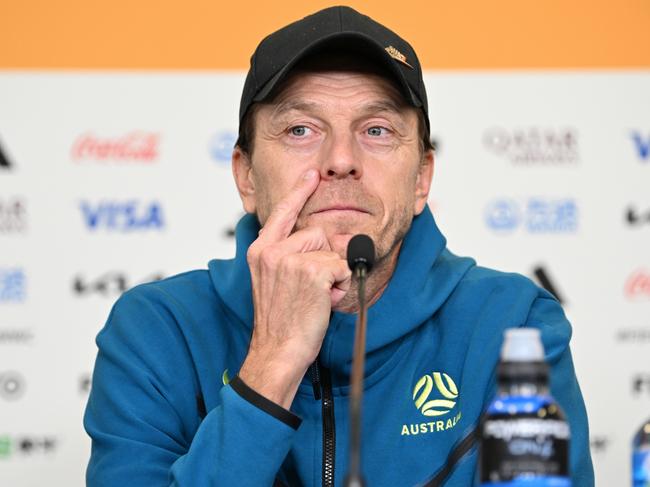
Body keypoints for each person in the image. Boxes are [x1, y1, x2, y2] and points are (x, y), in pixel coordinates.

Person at [84, 6, 594, 486]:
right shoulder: (155, 332)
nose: (342, 158)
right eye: (301, 129)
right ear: (246, 178)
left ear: (421, 178)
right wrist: (273, 361)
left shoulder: (514, 326)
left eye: (376, 129)